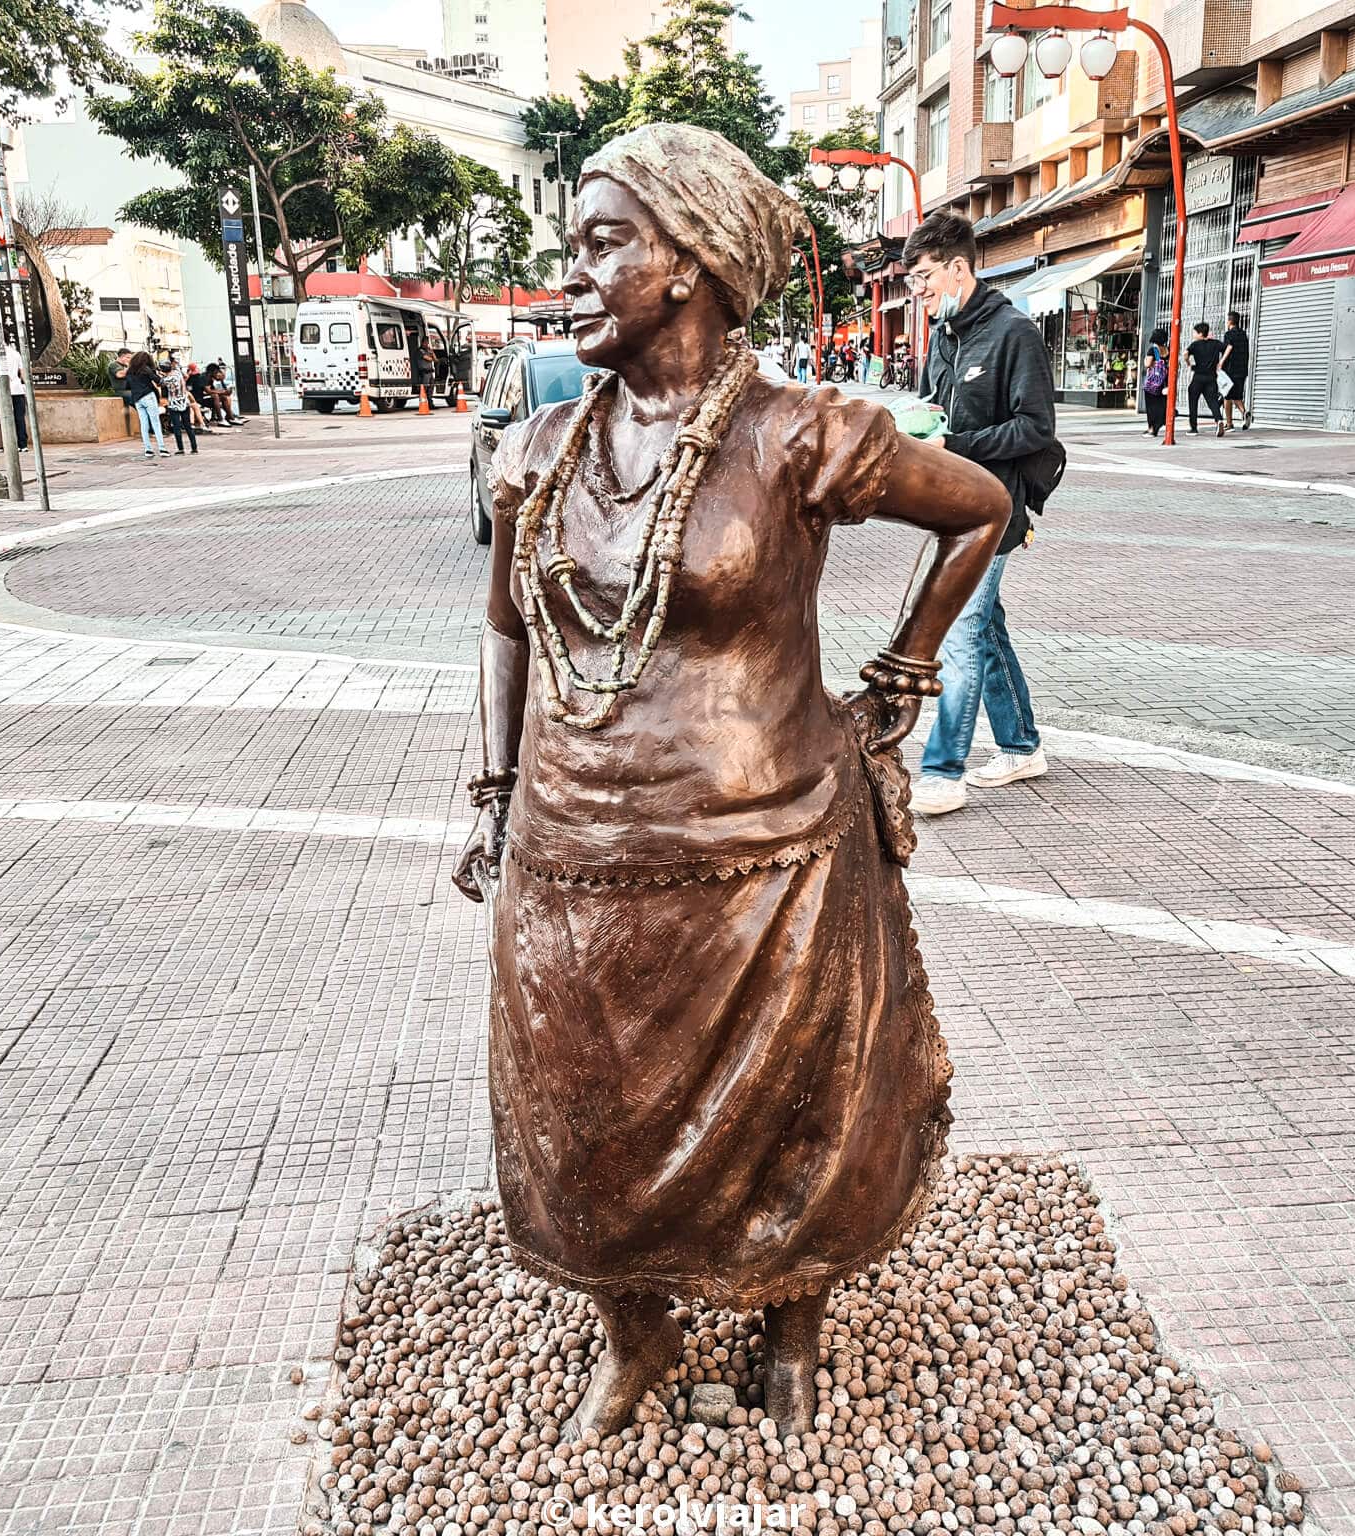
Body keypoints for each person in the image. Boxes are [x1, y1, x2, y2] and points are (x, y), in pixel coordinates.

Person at [451, 122, 1008, 1443]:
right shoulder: (535, 452)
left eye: (605, 244)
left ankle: (791, 1324)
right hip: (569, 846)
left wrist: (904, 681)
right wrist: (490, 791)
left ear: (691, 264)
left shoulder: (803, 434)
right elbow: (506, 629)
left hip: (773, 849)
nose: (573, 272)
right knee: (576, 1124)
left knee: (801, 1121)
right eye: (573, 243)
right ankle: (631, 1336)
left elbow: (981, 508)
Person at [904, 207, 1055, 816]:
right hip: (950, 505)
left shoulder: (1014, 334)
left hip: (996, 510)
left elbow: (1036, 428)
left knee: (961, 631)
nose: (917, 292)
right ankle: (1021, 746)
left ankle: (943, 771)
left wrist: (955, 446)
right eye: (911, 283)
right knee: (985, 626)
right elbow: (934, 407)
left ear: (958, 268)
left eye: (923, 278)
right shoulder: (944, 335)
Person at [0, 343, 28, 452]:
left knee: (1, 417)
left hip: (2, 389)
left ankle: (3, 444)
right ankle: (22, 445)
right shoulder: (16, 353)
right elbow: (22, 372)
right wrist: (26, 386)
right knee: (19, 417)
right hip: (17, 388)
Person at [123, 350, 165, 458]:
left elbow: (127, 386)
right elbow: (159, 381)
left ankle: (148, 449)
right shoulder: (146, 369)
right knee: (155, 422)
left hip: (137, 399)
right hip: (148, 396)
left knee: (144, 424)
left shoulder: (129, 371)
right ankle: (162, 448)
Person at [1184, 322, 1225, 435]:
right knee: (1212, 401)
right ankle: (1219, 420)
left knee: (1193, 401)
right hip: (1211, 377)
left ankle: (1193, 428)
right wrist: (1221, 361)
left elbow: (1185, 354)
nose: (1193, 334)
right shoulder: (1216, 343)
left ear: (1200, 333)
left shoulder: (1195, 345)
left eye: (1194, 332)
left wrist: (1189, 364)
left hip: (1198, 377)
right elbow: (1227, 348)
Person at [158, 352, 199, 455]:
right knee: (188, 425)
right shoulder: (177, 372)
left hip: (174, 404)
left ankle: (180, 448)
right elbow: (185, 376)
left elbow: (160, 383)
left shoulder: (167, 379)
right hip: (185, 402)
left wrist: (161, 375)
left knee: (176, 427)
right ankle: (194, 448)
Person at [1218, 310, 1250, 431]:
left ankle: (1229, 423)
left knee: (1227, 395)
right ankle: (1245, 412)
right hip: (1242, 370)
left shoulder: (1229, 334)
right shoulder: (1243, 334)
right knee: (1237, 395)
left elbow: (1229, 348)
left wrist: (1221, 362)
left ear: (1230, 321)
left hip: (1231, 369)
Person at [1141, 325, 1170, 437]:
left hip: (1153, 383)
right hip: (1164, 382)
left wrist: (1145, 360)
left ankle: (1152, 428)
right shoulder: (1167, 350)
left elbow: (1147, 364)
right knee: (1161, 404)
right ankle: (1159, 423)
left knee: (1151, 405)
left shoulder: (1153, 350)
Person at [205, 361, 242, 425]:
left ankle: (230, 417)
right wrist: (222, 392)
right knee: (215, 396)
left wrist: (224, 392)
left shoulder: (211, 379)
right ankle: (220, 419)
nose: (217, 374)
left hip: (206, 397)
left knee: (225, 397)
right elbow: (208, 391)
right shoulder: (205, 378)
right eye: (216, 372)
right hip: (200, 398)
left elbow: (213, 389)